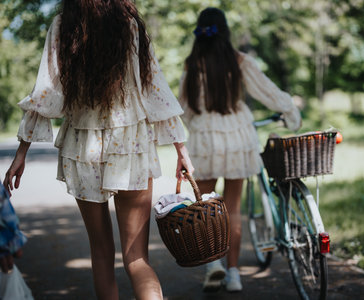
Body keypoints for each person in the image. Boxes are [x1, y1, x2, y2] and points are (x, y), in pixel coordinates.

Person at [3, 1, 194, 299]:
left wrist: (21, 151)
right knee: (137, 259)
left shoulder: (63, 26)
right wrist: (181, 149)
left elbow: (45, 92)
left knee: (102, 253)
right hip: (131, 146)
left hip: (83, 148)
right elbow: (155, 89)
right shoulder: (130, 25)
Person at [178, 7, 301, 293]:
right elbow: (268, 91)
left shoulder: (192, 64)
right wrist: (290, 109)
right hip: (238, 138)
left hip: (205, 139)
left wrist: (198, 122)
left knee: (207, 208)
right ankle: (234, 275)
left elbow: (182, 107)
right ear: (226, 31)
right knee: (232, 209)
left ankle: (213, 265)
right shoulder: (240, 61)